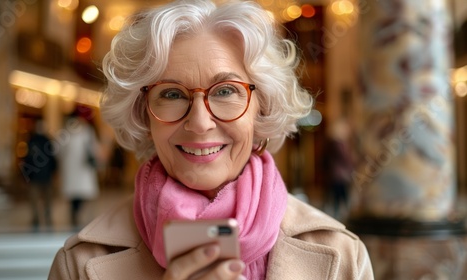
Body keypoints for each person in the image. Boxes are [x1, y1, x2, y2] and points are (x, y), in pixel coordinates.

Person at [50, 1, 374, 279]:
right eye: (172, 94)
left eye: (225, 91)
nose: (200, 123)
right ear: (143, 114)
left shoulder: (342, 255)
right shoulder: (79, 263)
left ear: (262, 111)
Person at [58, 106, 100, 229]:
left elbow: (59, 150)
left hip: (73, 168)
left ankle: (75, 214)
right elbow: (94, 148)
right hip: (82, 168)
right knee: (81, 194)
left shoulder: (65, 131)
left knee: (75, 195)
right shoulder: (86, 130)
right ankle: (77, 215)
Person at [20, 118, 56, 231]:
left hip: (45, 176)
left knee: (47, 199)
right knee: (35, 198)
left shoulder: (47, 141)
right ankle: (36, 218)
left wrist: (53, 172)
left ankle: (46, 216)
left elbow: (52, 159)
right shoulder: (32, 140)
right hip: (35, 176)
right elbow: (27, 159)